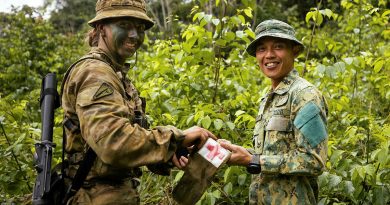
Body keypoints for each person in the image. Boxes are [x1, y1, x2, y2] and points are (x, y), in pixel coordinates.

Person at [60, 0, 215, 204]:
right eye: (124, 25)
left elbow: (129, 139)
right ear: (101, 28)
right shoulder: (95, 73)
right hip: (94, 197)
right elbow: (113, 143)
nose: (134, 35)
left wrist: (169, 153)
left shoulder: (115, 74)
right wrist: (176, 138)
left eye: (140, 27)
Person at [219, 19, 328, 205]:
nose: (269, 55)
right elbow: (273, 152)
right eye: (261, 49)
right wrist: (244, 153)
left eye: (278, 47)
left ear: (294, 51)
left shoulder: (305, 95)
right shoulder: (269, 97)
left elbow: (313, 160)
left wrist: (253, 160)